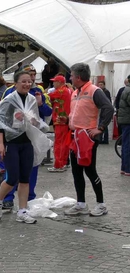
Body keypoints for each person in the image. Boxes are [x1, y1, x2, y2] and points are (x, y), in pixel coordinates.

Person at [0, 71, 47, 224]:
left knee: (25, 178)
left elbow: (36, 122)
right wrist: (0, 143)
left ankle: (22, 210)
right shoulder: (9, 100)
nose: (27, 84)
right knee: (12, 178)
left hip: (26, 142)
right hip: (11, 143)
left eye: (29, 81)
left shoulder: (31, 100)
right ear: (15, 83)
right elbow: (0, 122)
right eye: (23, 81)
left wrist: (31, 119)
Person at [64, 63, 113, 217]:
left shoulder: (94, 91)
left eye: (71, 75)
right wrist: (67, 120)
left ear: (78, 77)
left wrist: (101, 127)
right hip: (75, 136)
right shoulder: (75, 92)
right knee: (76, 171)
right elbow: (77, 113)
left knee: (90, 171)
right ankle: (81, 204)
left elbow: (109, 108)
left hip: (87, 137)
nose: (70, 77)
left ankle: (101, 204)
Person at [1, 64, 52, 209]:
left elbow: (48, 112)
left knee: (30, 170)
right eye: (28, 75)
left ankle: (29, 200)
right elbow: (2, 116)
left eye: (33, 75)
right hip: (14, 138)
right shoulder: (9, 93)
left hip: (33, 136)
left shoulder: (39, 91)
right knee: (12, 172)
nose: (31, 79)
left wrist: (41, 104)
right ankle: (7, 198)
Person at [47, 75, 71, 172]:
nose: (53, 84)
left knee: (59, 143)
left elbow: (48, 97)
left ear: (60, 82)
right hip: (65, 120)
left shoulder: (61, 91)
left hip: (60, 120)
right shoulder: (68, 90)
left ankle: (58, 165)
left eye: (55, 82)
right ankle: (63, 163)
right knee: (64, 143)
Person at [117, 74, 130, 176]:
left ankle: (124, 168)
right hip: (128, 120)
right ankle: (128, 169)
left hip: (124, 120)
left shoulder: (125, 90)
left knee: (125, 144)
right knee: (128, 145)